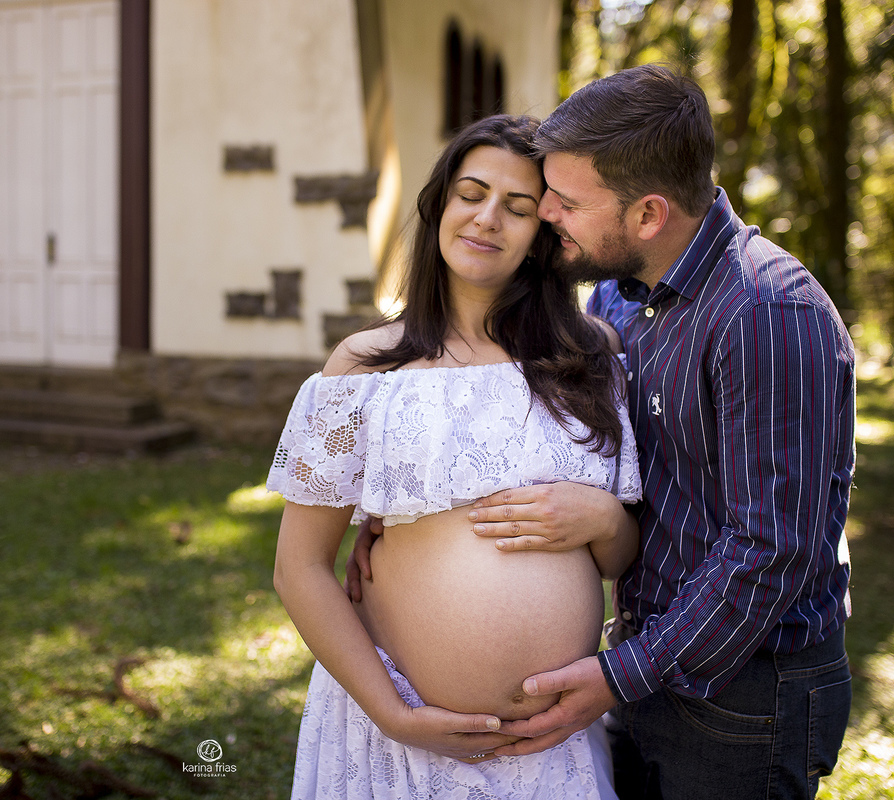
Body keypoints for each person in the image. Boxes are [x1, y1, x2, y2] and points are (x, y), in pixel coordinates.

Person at [443, 64, 855, 799]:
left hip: (745, 696)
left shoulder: (763, 314)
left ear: (648, 215)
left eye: (566, 202)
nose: (548, 216)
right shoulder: (621, 300)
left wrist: (616, 677)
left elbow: (770, 550)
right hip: (651, 662)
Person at [267, 114, 643, 799]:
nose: (487, 219)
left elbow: (617, 560)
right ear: (440, 203)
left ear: (541, 236)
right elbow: (298, 569)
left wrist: (606, 522)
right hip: (397, 734)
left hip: (551, 743)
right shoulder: (365, 369)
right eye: (471, 193)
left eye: (517, 207)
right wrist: (395, 714)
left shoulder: (589, 357)